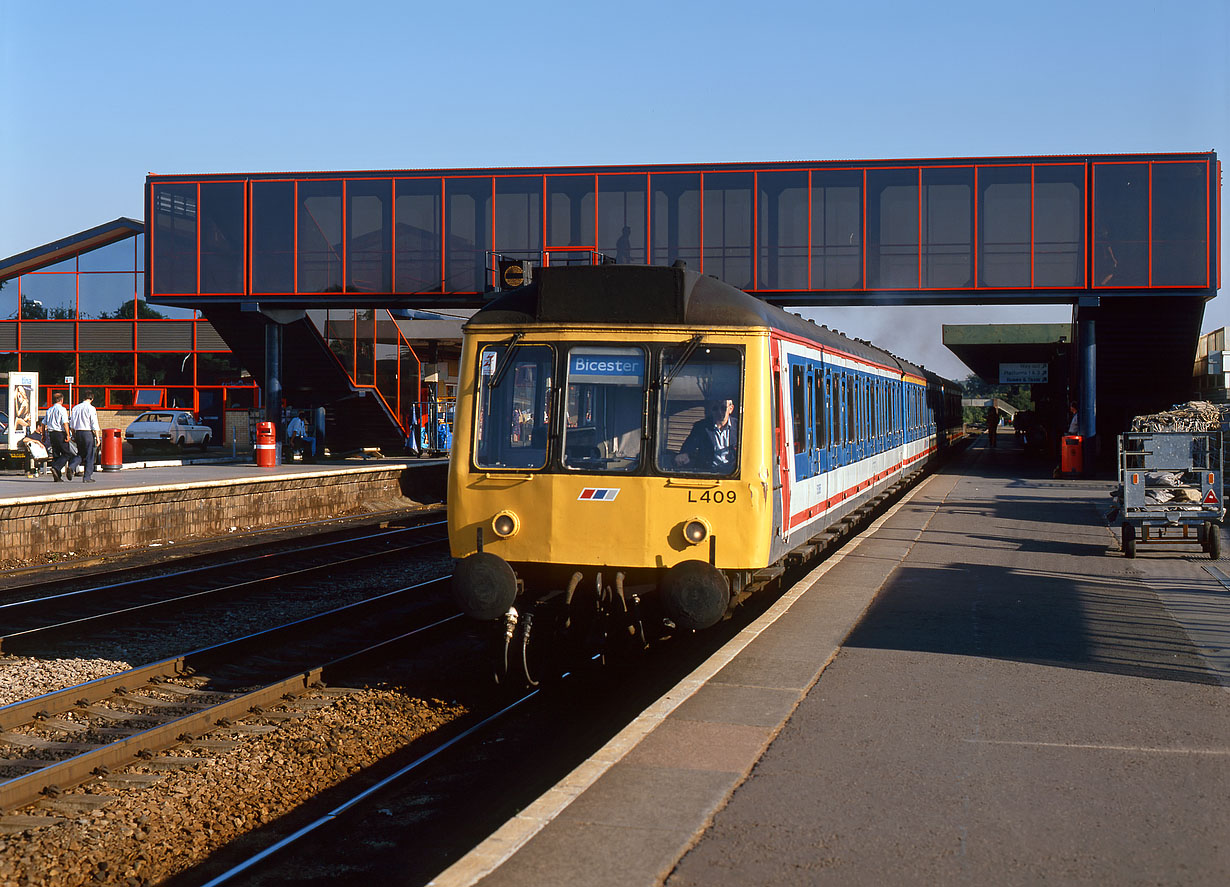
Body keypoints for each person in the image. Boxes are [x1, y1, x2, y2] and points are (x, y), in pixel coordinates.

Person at [675, 398, 737, 474]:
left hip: (732, 475)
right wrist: (684, 455)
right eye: (715, 408)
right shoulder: (701, 426)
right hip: (708, 474)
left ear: (731, 409)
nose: (719, 412)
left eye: (723, 408)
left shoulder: (740, 427)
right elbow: (688, 446)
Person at [68, 392, 101, 483]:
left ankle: (72, 466)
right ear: (92, 399)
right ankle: (87, 477)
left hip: (78, 433)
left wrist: (74, 435)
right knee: (89, 455)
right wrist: (97, 437)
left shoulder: (75, 408)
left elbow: (72, 424)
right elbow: (94, 424)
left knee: (80, 453)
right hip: (87, 433)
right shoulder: (91, 408)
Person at [45, 392, 72, 482]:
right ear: (62, 400)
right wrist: (68, 435)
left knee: (56, 454)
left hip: (51, 433)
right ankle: (56, 467)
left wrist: (43, 435)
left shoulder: (49, 410)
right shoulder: (62, 409)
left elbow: (43, 423)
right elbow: (65, 423)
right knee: (66, 453)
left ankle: (57, 477)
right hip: (60, 433)